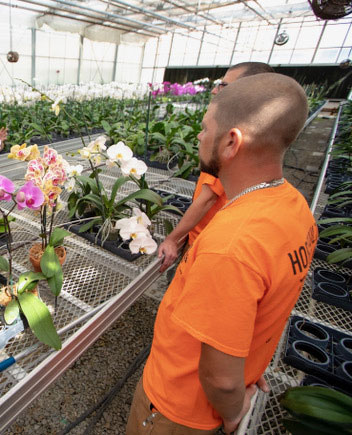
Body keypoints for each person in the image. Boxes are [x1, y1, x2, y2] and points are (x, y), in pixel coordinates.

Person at [127, 73, 317, 434]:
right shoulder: (295, 207)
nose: (198, 136)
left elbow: (222, 379)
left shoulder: (230, 246)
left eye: (205, 127)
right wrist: (249, 370)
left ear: (232, 142)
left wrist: (233, 411)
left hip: (178, 407)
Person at [158, 62, 275, 272]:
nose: (214, 90)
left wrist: (173, 239)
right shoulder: (260, 133)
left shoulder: (231, 137)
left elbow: (207, 199)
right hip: (218, 236)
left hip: (206, 243)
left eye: (223, 85)